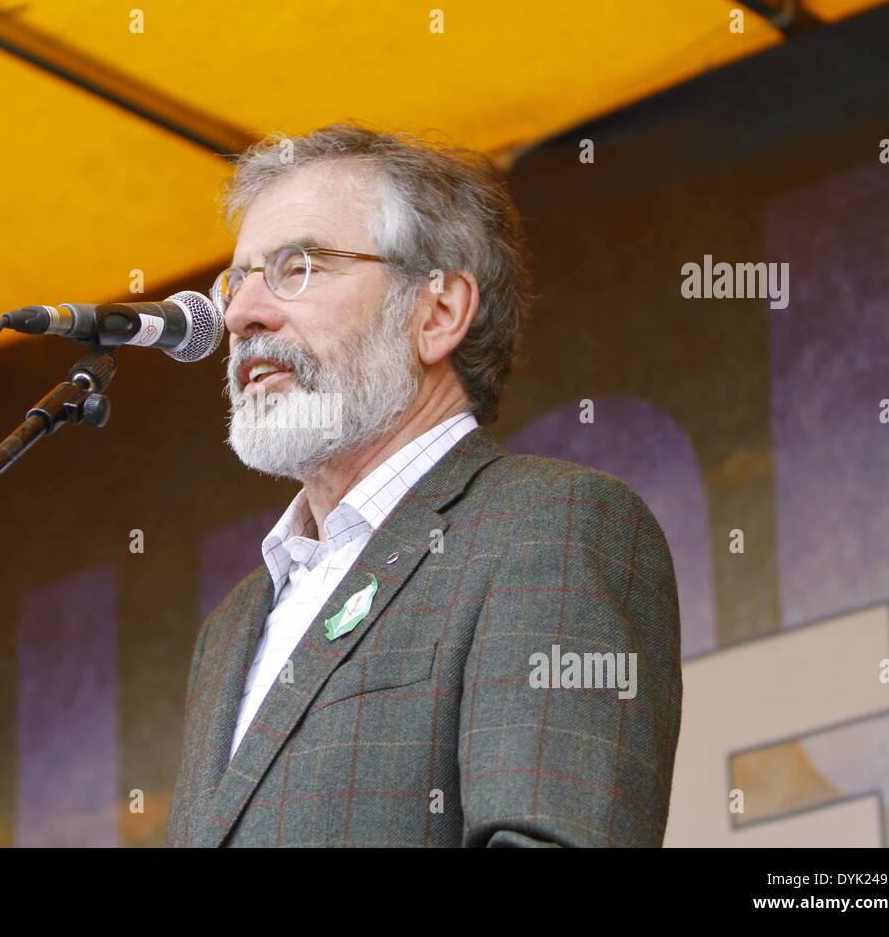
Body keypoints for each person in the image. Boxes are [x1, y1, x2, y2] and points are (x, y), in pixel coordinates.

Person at [166, 125, 682, 847]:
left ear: (436, 314)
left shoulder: (549, 525)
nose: (242, 313)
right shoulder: (232, 626)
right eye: (238, 280)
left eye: (299, 268)